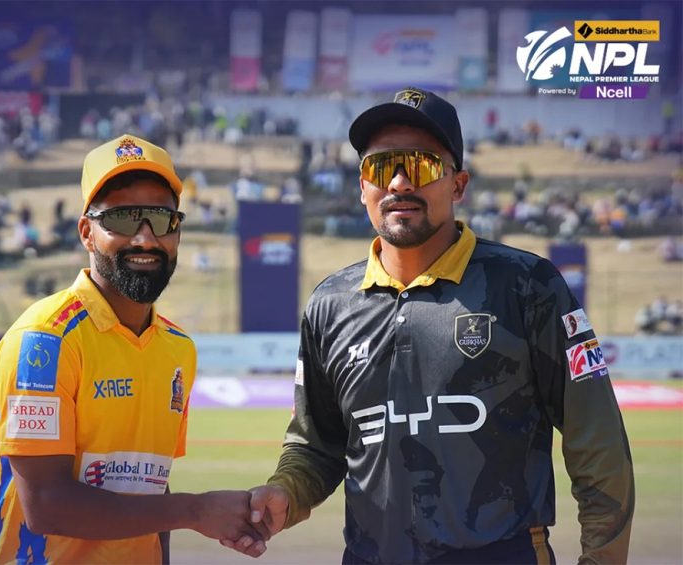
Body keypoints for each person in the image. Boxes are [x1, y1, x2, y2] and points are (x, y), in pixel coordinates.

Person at [238, 88, 635, 564]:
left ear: (458, 185)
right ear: (362, 186)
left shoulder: (528, 285)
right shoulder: (330, 304)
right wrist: (285, 492)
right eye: (381, 167)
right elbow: (316, 447)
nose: (399, 182)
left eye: (421, 165)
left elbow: (599, 446)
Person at [0, 134, 268, 564]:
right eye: (124, 219)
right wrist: (196, 510)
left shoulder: (177, 348)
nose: (145, 239)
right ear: (86, 233)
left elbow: (151, 485)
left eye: (161, 218)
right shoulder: (46, 340)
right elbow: (46, 505)